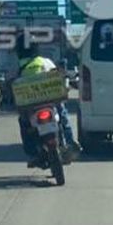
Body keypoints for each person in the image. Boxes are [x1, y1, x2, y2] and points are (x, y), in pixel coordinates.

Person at [12, 31, 81, 165]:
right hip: (50, 101)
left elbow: (13, 82)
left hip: (32, 105)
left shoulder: (20, 67)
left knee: (24, 123)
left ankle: (32, 153)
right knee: (62, 114)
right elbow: (58, 75)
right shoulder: (45, 61)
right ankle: (70, 143)